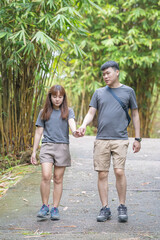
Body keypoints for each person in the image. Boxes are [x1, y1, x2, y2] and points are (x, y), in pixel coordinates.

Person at [77, 61, 141, 223]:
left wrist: (138, 138)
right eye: (103, 74)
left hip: (120, 138)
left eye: (108, 73)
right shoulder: (98, 93)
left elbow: (135, 114)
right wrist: (83, 125)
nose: (105, 76)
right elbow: (91, 113)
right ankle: (105, 208)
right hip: (101, 140)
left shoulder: (128, 91)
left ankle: (122, 206)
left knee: (119, 171)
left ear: (117, 72)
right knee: (102, 174)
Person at [31, 85, 79, 221]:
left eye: (60, 97)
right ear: (50, 97)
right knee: (46, 176)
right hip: (47, 147)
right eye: (54, 96)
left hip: (62, 147)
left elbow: (72, 124)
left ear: (63, 98)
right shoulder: (44, 112)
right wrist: (34, 151)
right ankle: (44, 206)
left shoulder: (68, 111)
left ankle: (55, 208)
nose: (57, 99)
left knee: (58, 179)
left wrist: (75, 131)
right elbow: (38, 132)